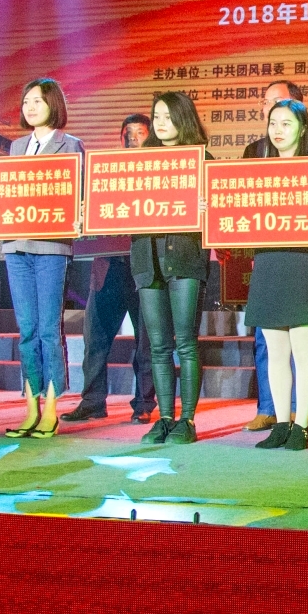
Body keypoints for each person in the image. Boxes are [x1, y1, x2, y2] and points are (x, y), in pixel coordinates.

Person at [241, 79, 308, 432]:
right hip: (268, 263)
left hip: (304, 263)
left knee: (303, 349)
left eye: (286, 123)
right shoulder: (257, 167)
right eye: (273, 123)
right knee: (275, 352)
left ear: (302, 127)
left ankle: (302, 426)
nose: (277, 130)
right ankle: (281, 423)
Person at [64, 113, 158, 425]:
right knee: (95, 339)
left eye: (140, 133)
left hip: (144, 268)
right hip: (107, 267)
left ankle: (144, 403)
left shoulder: (160, 173)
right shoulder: (104, 174)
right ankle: (92, 401)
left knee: (146, 343)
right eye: (127, 133)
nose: (133, 139)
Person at [2, 78, 82, 439]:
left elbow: (78, 196)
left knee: (49, 329)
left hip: (51, 246)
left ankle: (51, 407)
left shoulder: (71, 145)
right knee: (27, 329)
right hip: (15, 246)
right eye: (26, 101)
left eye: (37, 101)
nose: (30, 107)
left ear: (54, 104)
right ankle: (30, 406)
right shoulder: (16, 146)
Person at [135, 92, 212, 445]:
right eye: (157, 116)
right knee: (158, 346)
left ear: (184, 118)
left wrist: (206, 207)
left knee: (186, 344)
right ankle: (164, 418)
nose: (161, 123)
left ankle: (188, 420)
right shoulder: (138, 163)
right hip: (147, 260)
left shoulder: (202, 160)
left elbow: (219, 213)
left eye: (168, 116)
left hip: (184, 259)